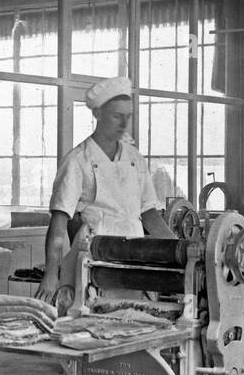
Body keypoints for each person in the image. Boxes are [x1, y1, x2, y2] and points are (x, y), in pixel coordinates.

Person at [36, 77, 175, 306]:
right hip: (92, 263)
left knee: (134, 322)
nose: (124, 124)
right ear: (98, 114)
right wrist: (51, 274)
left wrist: (177, 248)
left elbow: (150, 213)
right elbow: (59, 224)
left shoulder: (135, 159)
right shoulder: (78, 161)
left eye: (128, 117)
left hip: (135, 261)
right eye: (116, 116)